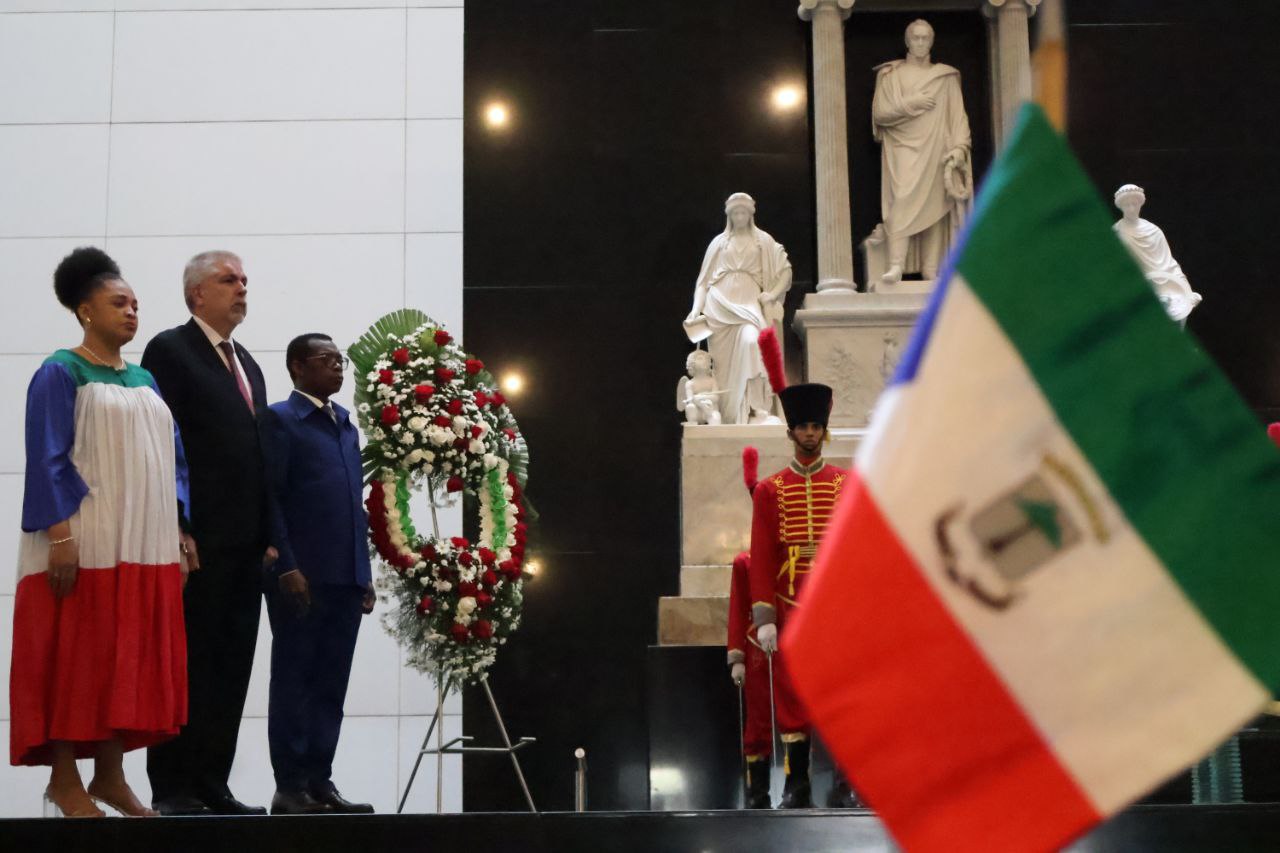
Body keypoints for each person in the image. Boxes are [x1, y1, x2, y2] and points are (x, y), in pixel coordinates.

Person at [10, 247, 193, 818]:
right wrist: (60, 536)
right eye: (120, 303)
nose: (133, 312)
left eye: (137, 303)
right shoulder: (59, 371)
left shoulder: (145, 378)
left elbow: (175, 461)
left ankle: (111, 776)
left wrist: (183, 534)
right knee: (76, 652)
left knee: (123, 653)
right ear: (85, 310)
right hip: (83, 537)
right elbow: (47, 457)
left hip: (141, 540)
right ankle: (65, 779)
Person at [143, 251, 272, 816]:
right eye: (229, 280)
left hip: (246, 545)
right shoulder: (170, 350)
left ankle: (213, 784)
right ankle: (173, 788)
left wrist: (269, 534)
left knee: (231, 666)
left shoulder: (246, 361)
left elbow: (257, 455)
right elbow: (161, 445)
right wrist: (178, 522)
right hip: (197, 542)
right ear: (197, 293)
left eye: (244, 280)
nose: (242, 288)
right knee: (187, 662)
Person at [261, 334, 375, 815]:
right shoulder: (281, 420)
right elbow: (270, 497)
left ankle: (319, 780)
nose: (338, 368)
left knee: (331, 684)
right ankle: (289, 785)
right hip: (300, 576)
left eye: (340, 360)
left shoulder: (345, 425)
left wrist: (363, 572)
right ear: (297, 367)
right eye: (327, 360)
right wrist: (287, 564)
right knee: (295, 680)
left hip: (344, 576)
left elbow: (354, 506)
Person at [872, 19, 972, 285]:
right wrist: (910, 104)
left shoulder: (946, 77)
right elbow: (881, 114)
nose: (920, 43)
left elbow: (958, 116)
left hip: (938, 147)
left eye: (925, 38)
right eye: (915, 38)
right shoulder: (891, 75)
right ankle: (896, 265)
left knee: (937, 206)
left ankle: (931, 269)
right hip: (903, 148)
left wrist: (960, 148)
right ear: (907, 41)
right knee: (902, 199)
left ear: (932, 41)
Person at [684, 192, 792, 424]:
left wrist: (771, 295)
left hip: (748, 306)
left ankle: (755, 408)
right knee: (722, 367)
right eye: (735, 213)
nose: (740, 216)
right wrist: (696, 309)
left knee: (753, 342)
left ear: (750, 214)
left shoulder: (762, 241)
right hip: (719, 307)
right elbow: (702, 282)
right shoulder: (719, 243)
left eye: (743, 212)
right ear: (729, 216)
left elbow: (785, 271)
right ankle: (728, 413)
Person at [726, 449, 772, 808]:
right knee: (757, 720)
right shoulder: (745, 562)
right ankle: (757, 791)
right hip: (758, 653)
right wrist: (737, 656)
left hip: (795, 648)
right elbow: (738, 608)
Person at [1112, 183, 1202, 325]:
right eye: (1127, 205)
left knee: (1175, 306)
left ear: (1140, 205)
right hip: (1132, 286)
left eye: (1134, 204)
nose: (1131, 208)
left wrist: (1187, 290)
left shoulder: (1153, 231)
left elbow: (1169, 264)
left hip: (1163, 284)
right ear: (1121, 207)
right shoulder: (1116, 232)